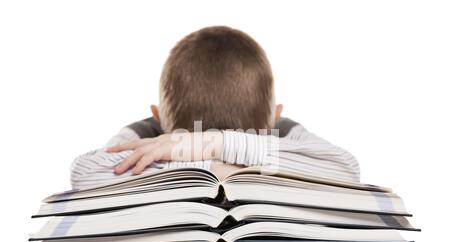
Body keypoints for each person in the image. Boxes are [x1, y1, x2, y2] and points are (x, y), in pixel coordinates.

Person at [70, 26, 360, 189]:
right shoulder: (147, 136)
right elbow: (83, 172)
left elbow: (346, 169)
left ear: (159, 118)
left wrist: (210, 143)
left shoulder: (286, 133)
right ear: (275, 117)